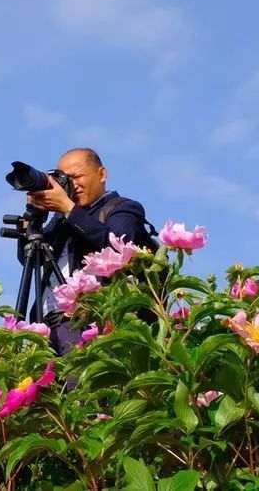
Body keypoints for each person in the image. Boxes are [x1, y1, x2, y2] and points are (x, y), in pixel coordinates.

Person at [19, 147, 156, 355]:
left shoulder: (123, 209)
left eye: (77, 177)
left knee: (78, 385)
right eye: (66, 179)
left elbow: (119, 250)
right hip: (45, 326)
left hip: (89, 323)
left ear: (102, 174)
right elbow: (30, 259)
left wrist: (68, 209)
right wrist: (33, 220)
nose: (72, 185)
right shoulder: (60, 221)